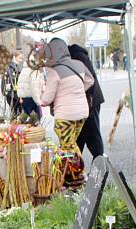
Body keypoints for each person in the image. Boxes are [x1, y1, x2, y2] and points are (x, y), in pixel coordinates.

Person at [40, 38, 94, 189]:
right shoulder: (79, 64)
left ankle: (78, 178)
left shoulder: (54, 71)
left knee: (68, 147)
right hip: (82, 113)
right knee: (71, 145)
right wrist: (77, 90)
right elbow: (90, 81)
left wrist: (40, 96)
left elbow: (46, 99)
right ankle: (74, 178)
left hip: (65, 115)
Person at [69, 43, 105, 159]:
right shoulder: (77, 56)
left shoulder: (78, 57)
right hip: (86, 102)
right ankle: (77, 166)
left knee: (92, 134)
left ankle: (100, 165)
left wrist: (86, 99)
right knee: (82, 134)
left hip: (90, 102)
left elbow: (88, 80)